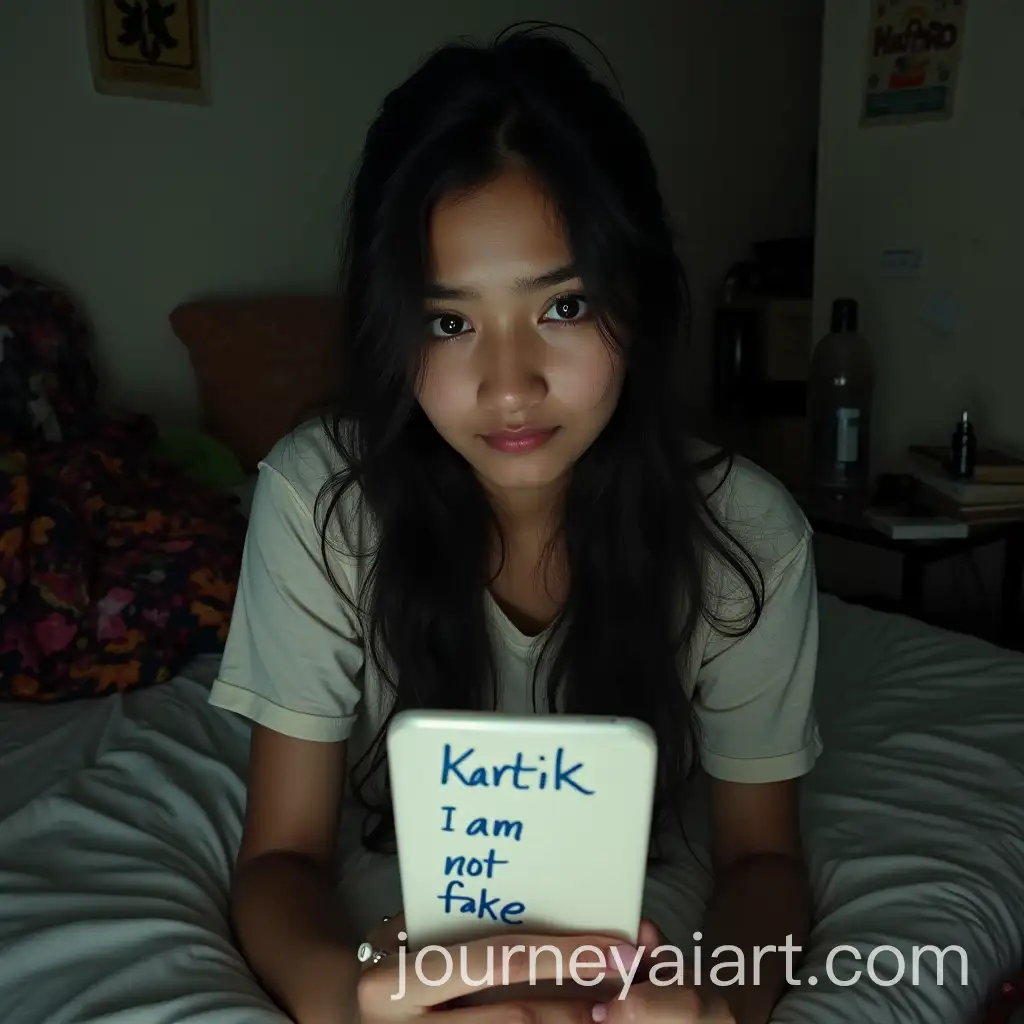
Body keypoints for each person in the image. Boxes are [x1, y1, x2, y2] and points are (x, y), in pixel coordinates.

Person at [208, 22, 822, 1024]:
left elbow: (762, 857)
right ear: (394, 332)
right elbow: (280, 855)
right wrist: (351, 1000)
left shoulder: (747, 537)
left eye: (564, 307)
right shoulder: (318, 499)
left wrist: (719, 1003)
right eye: (449, 322)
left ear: (642, 299)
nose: (509, 385)